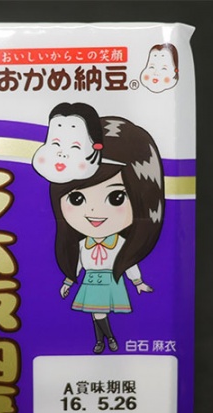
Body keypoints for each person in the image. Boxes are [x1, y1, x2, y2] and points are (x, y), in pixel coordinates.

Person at [33, 104, 164, 354]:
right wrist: (68, 281)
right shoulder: (83, 244)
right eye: (76, 199)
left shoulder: (120, 244)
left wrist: (138, 283)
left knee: (98, 313)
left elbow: (129, 264)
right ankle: (106, 340)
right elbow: (78, 264)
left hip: (110, 282)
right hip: (91, 283)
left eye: (116, 198)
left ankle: (104, 341)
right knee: (97, 314)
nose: (94, 211)